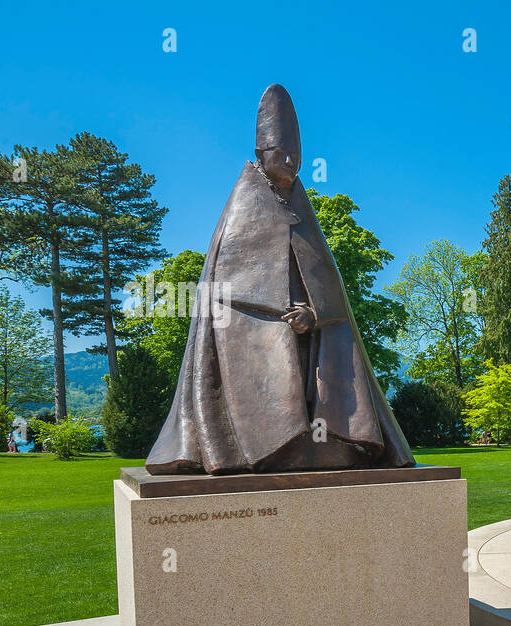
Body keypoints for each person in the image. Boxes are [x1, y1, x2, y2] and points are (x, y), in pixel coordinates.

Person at [145, 84, 413, 475]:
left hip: (305, 332)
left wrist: (315, 312)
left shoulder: (299, 206)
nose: (291, 161)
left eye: (297, 156)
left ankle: (333, 441)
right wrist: (277, 311)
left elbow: (325, 280)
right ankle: (254, 448)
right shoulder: (244, 204)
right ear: (261, 154)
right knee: (269, 383)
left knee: (330, 358)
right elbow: (231, 281)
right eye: (282, 153)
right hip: (252, 331)